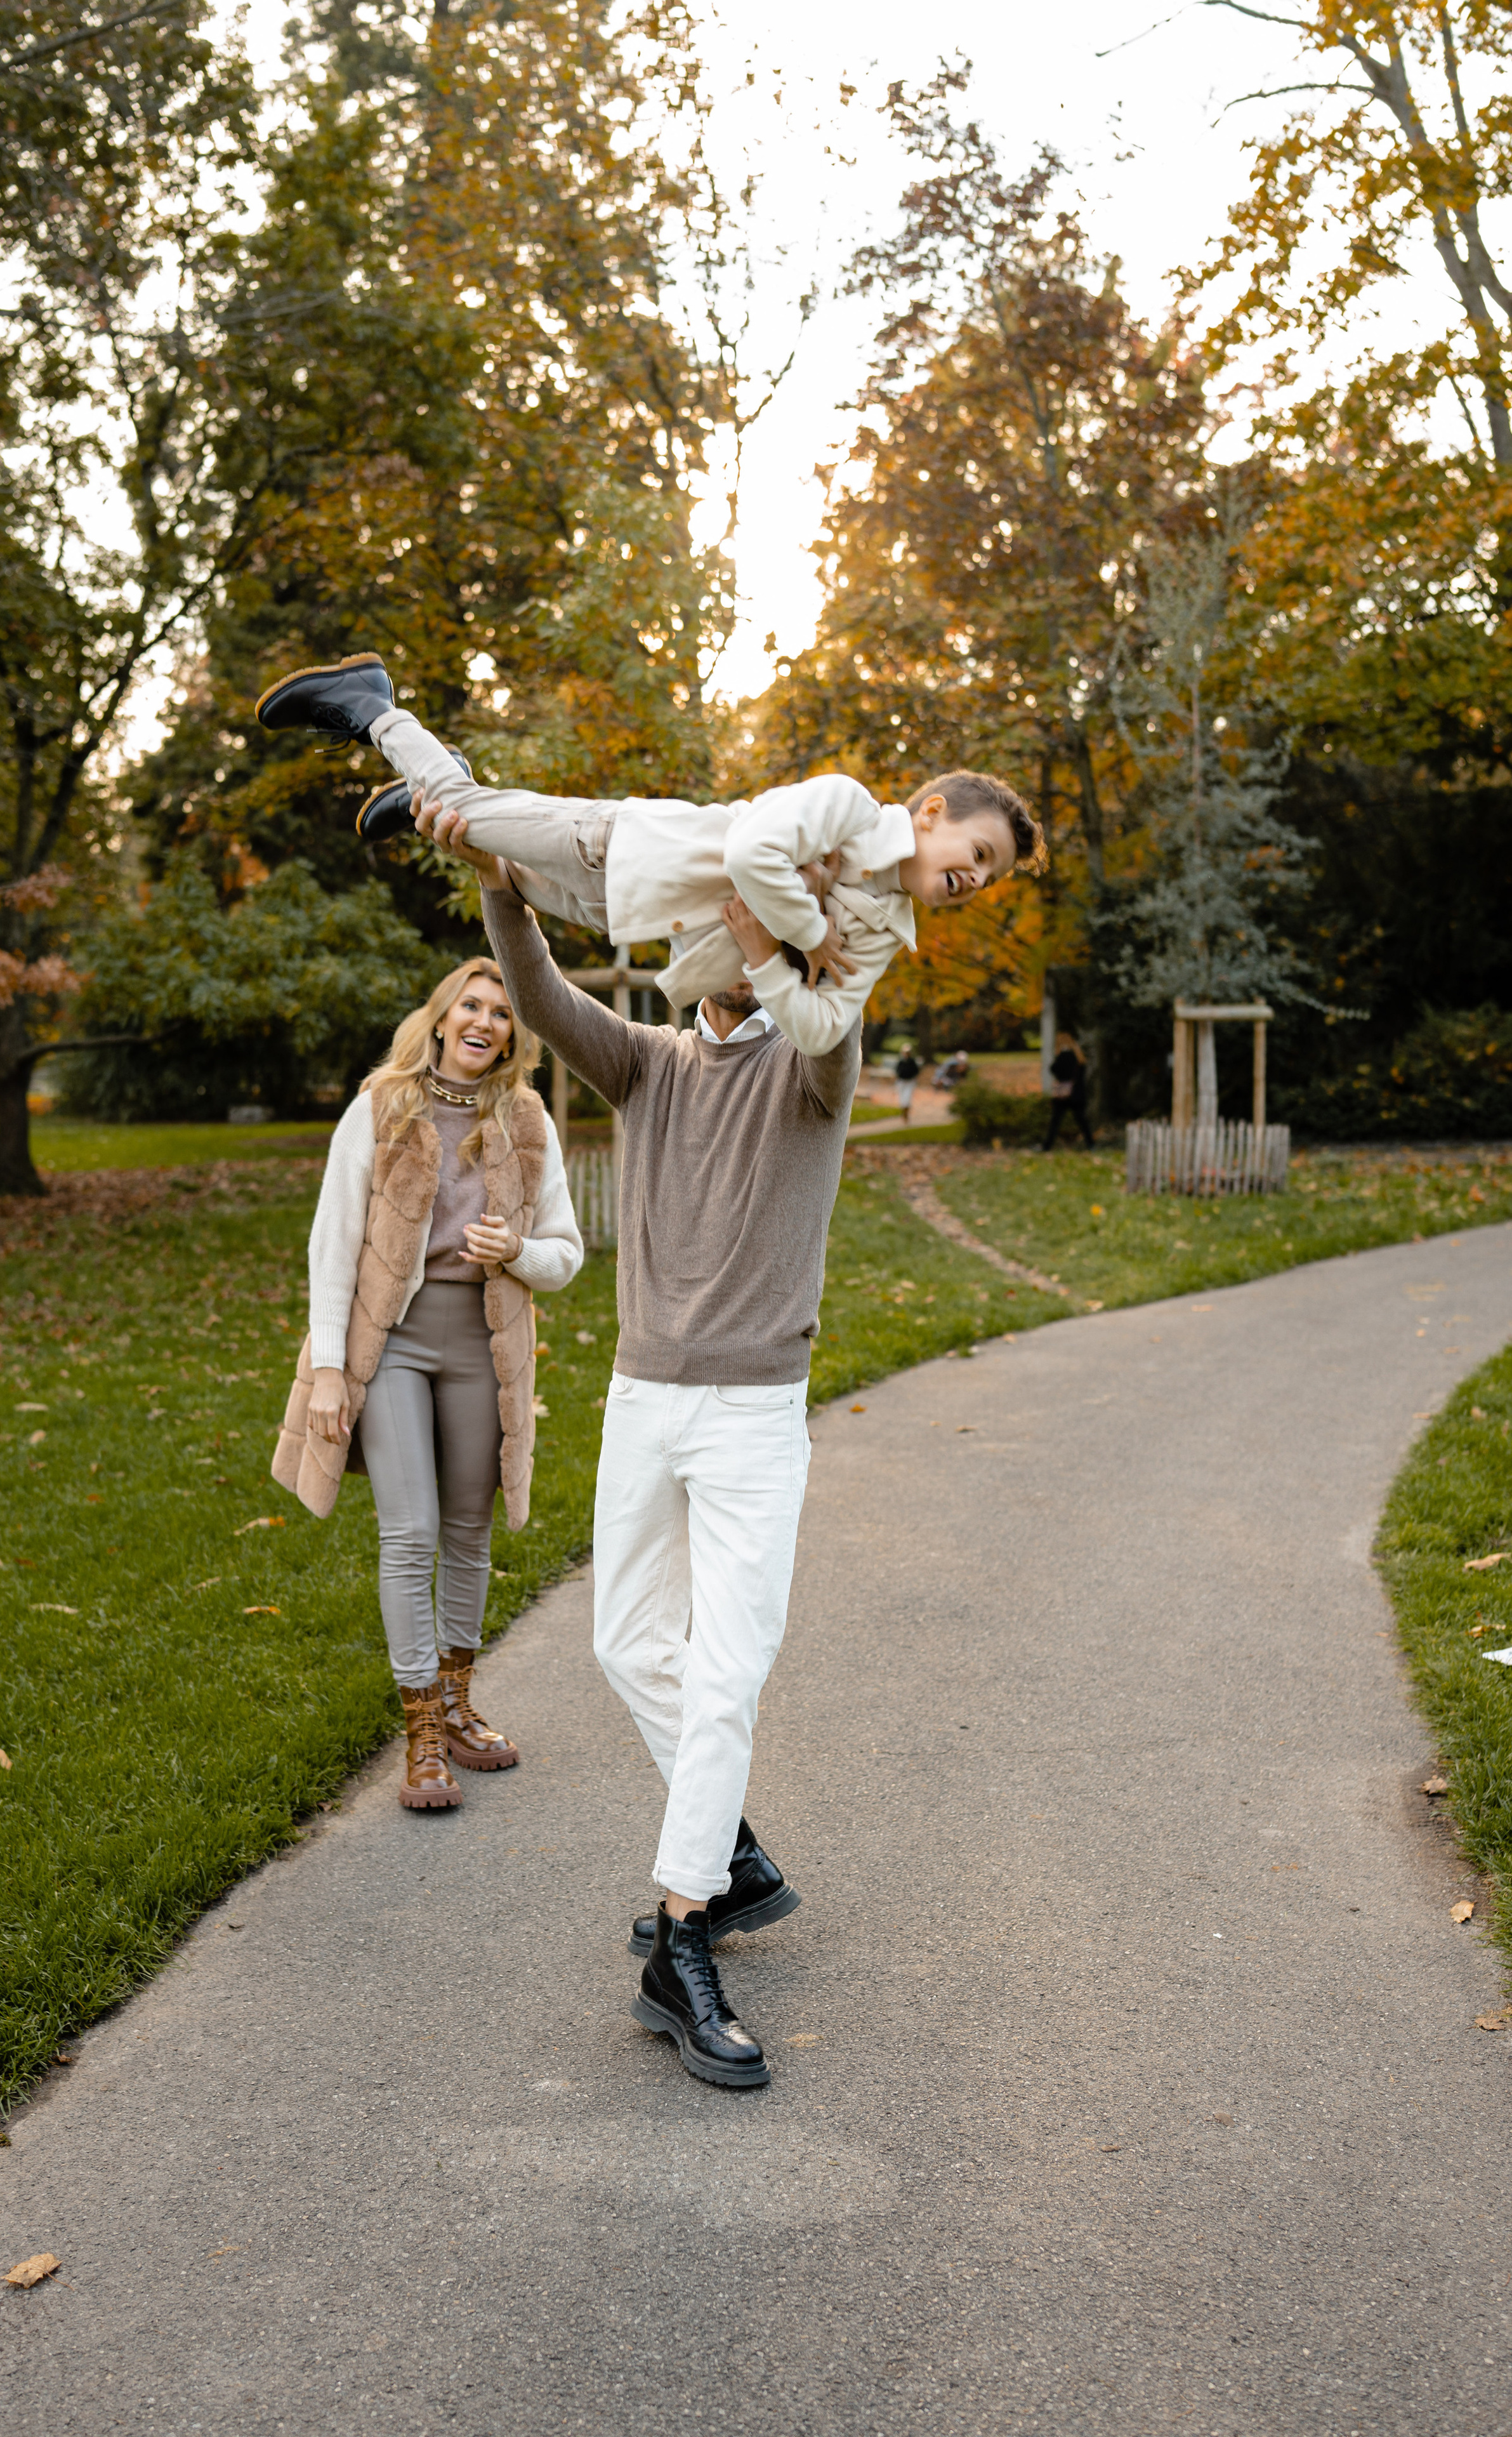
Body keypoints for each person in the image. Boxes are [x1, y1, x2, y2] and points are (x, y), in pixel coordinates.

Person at [427, 805, 858, 2092]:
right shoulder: (649, 1062)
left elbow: (825, 1018)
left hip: (751, 1415)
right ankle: (730, 1853)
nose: (695, 935)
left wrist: (769, 921)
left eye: (719, 922)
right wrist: (503, 883)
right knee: (624, 1643)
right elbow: (542, 991)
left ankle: (682, 1936)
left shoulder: (810, 1060)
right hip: (641, 1398)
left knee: (723, 1673)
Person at [252, 654, 1044, 1057]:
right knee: (465, 815)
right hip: (628, 843)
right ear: (930, 813)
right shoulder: (844, 806)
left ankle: (444, 783)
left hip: (625, 913)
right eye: (977, 852)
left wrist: (773, 960)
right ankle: (374, 706)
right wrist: (807, 937)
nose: (975, 877)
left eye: (990, 876)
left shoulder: (879, 935)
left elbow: (820, 1029)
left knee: (471, 840)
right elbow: (753, 850)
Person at [271, 959, 583, 1810]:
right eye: (470, 1007)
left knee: (468, 1533)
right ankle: (419, 1734)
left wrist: (513, 1253)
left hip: (483, 1345)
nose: (485, 1022)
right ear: (442, 1019)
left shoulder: (524, 1119)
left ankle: (456, 1704)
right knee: (408, 1534)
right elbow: (332, 1243)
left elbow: (566, 1251)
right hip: (396, 1344)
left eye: (501, 1013)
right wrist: (331, 1368)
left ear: (513, 1036)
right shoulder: (381, 1107)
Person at [1042, 1031, 1095, 1151]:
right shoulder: (1079, 1058)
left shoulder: (1063, 1057)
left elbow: (1054, 1069)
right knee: (1082, 1121)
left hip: (1063, 1096)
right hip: (1077, 1095)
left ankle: (1047, 1146)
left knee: (1055, 1122)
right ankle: (1091, 1144)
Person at [893, 1047, 921, 1124]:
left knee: (907, 1098)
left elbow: (916, 1072)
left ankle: (906, 1113)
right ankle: (904, 1113)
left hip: (909, 1082)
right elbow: (897, 1071)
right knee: (902, 1098)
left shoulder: (912, 1062)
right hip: (902, 1082)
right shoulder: (901, 1062)